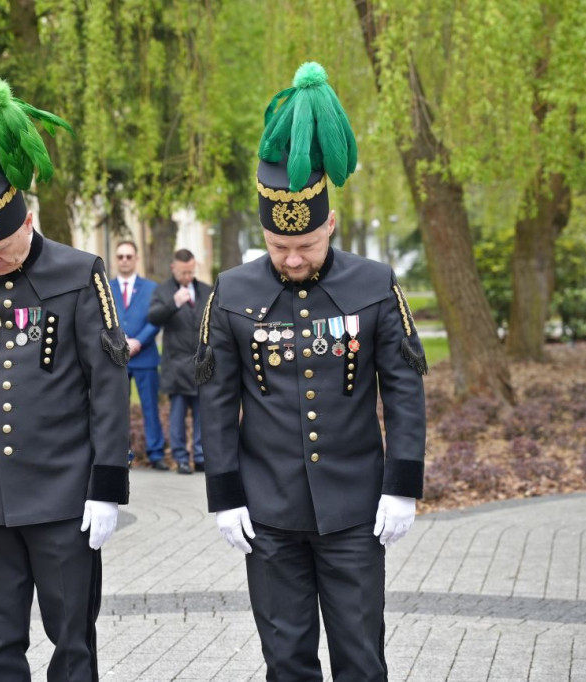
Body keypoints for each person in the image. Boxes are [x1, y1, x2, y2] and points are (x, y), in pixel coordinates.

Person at [196, 62, 427, 681]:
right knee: (286, 659)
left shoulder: (374, 284)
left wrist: (402, 485)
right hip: (267, 514)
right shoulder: (232, 290)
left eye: (306, 246)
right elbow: (216, 397)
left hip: (355, 508)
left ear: (329, 223)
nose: (292, 259)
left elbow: (404, 389)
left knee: (360, 656)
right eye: (278, 248)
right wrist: (224, 495)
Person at [0, 77, 129, 681]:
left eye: (4, 248)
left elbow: (107, 385)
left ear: (28, 218)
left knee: (73, 645)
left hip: (65, 495)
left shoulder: (80, 273)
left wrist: (107, 484)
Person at [148, 249, 211, 474]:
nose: (187, 276)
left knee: (202, 413)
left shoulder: (205, 290)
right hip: (175, 364)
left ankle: (202, 456)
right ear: (174, 268)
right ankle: (181, 458)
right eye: (183, 272)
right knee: (177, 415)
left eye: (191, 272)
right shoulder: (163, 291)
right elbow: (153, 317)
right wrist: (173, 304)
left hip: (201, 363)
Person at [110, 240, 166, 468]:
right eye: (121, 256)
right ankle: (120, 454)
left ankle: (156, 454)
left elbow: (157, 319)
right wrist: (120, 341)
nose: (124, 260)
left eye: (129, 256)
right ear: (116, 259)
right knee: (116, 409)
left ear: (136, 259)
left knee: (150, 407)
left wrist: (138, 341)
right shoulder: (106, 287)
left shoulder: (152, 288)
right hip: (115, 358)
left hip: (145, 357)